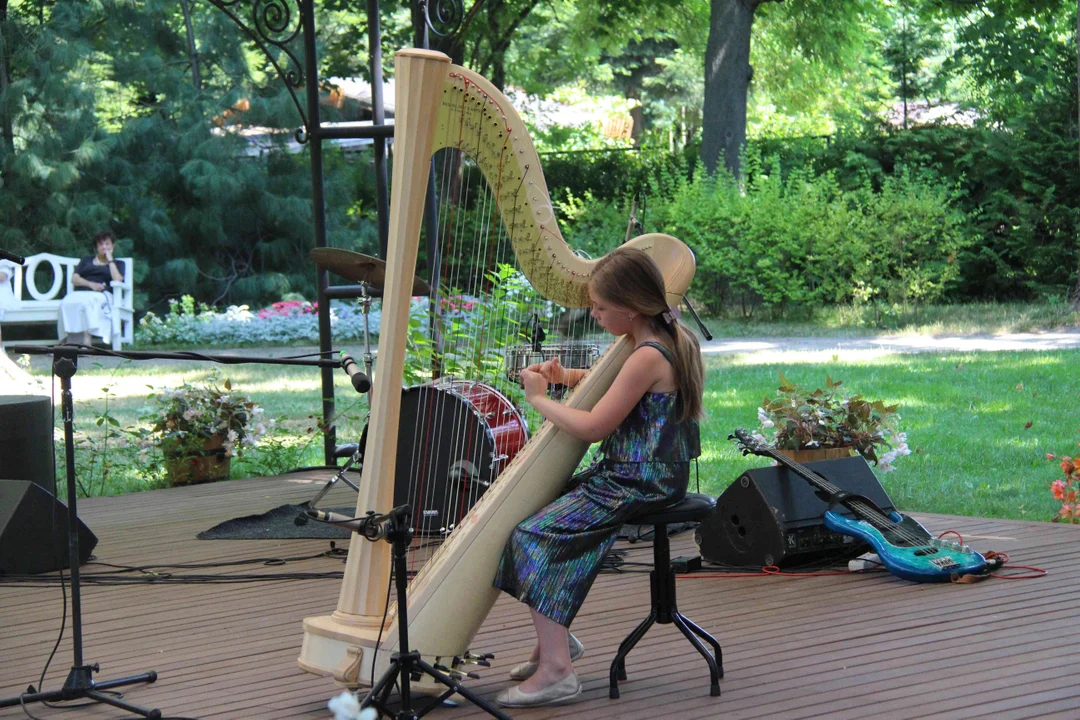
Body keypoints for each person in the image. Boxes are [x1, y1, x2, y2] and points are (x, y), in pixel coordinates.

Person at [492, 246, 704, 708]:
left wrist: (538, 399)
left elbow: (594, 427)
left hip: (640, 479)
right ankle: (556, 642)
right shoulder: (656, 339)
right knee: (541, 511)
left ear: (629, 310)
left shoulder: (647, 354)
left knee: (533, 535)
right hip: (640, 473)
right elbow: (614, 384)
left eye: (601, 307)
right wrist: (566, 376)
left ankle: (557, 673)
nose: (594, 313)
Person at [57, 230, 125, 346]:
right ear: (96, 247)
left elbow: (117, 279)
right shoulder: (86, 260)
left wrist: (110, 260)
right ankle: (64, 342)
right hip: (82, 292)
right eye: (101, 244)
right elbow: (75, 278)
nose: (104, 247)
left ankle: (86, 342)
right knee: (65, 303)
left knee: (87, 303)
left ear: (112, 246)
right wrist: (91, 284)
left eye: (107, 244)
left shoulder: (118, 263)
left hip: (102, 294)